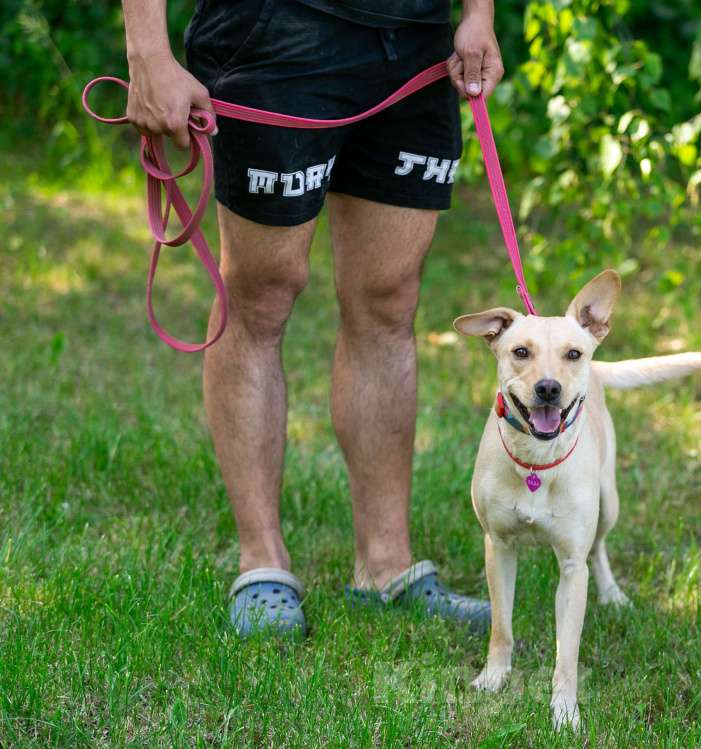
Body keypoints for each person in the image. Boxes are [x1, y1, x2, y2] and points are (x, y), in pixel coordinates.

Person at [121, 0, 503, 636]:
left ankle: (386, 567)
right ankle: (262, 564)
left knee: (390, 299)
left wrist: (479, 14)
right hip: (273, 31)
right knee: (261, 297)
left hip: (415, 38)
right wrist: (147, 52)